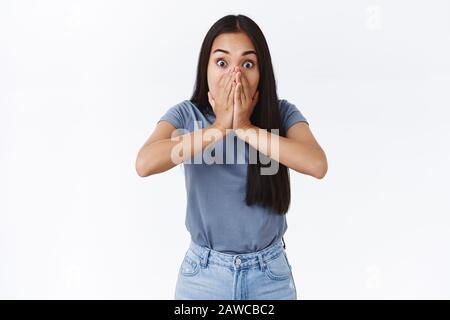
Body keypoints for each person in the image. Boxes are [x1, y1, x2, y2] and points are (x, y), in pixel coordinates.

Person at [135, 14, 327, 300]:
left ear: (262, 72)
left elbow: (316, 164)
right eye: (222, 63)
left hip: (269, 276)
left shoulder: (282, 113)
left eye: (247, 64)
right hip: (203, 275)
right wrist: (219, 128)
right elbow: (145, 163)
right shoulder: (187, 115)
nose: (235, 74)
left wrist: (245, 128)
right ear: (206, 69)